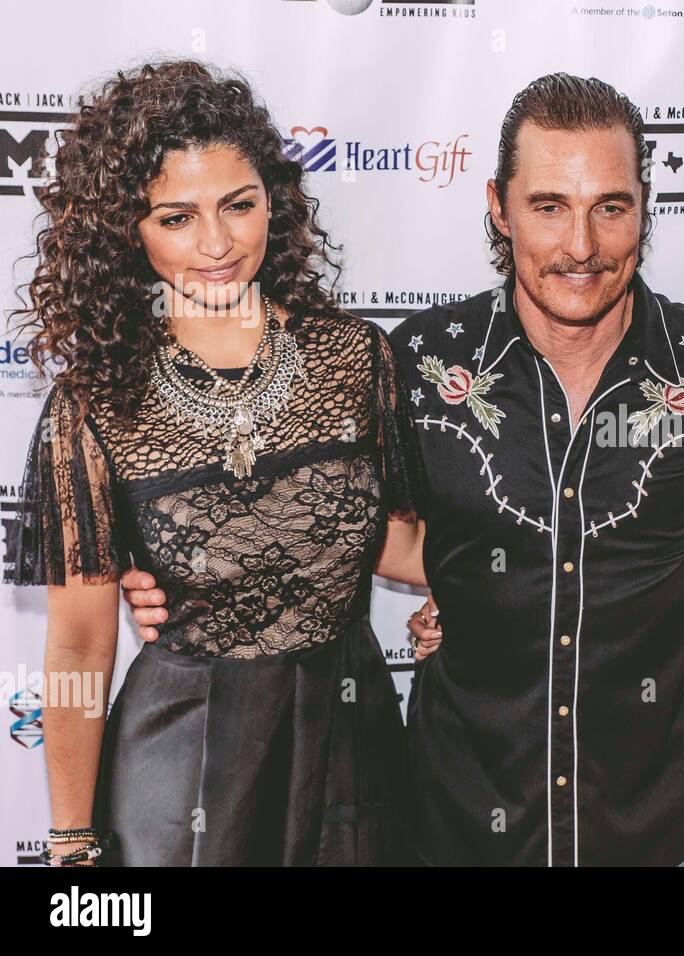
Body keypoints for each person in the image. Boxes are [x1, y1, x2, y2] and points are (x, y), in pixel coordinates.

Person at [128, 73, 684, 867]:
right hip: (453, 825)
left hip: (656, 833)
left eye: (611, 206)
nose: (581, 245)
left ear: (645, 208)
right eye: (549, 204)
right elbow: (313, 502)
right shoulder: (419, 361)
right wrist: (173, 571)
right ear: (498, 208)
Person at [5, 61, 429, 866]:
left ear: (276, 199)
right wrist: (68, 840)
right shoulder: (95, 403)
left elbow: (396, 546)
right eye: (176, 217)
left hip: (354, 744)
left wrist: (479, 583)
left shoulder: (354, 358)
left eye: (239, 204)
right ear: (125, 231)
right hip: (182, 761)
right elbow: (78, 649)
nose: (216, 242)